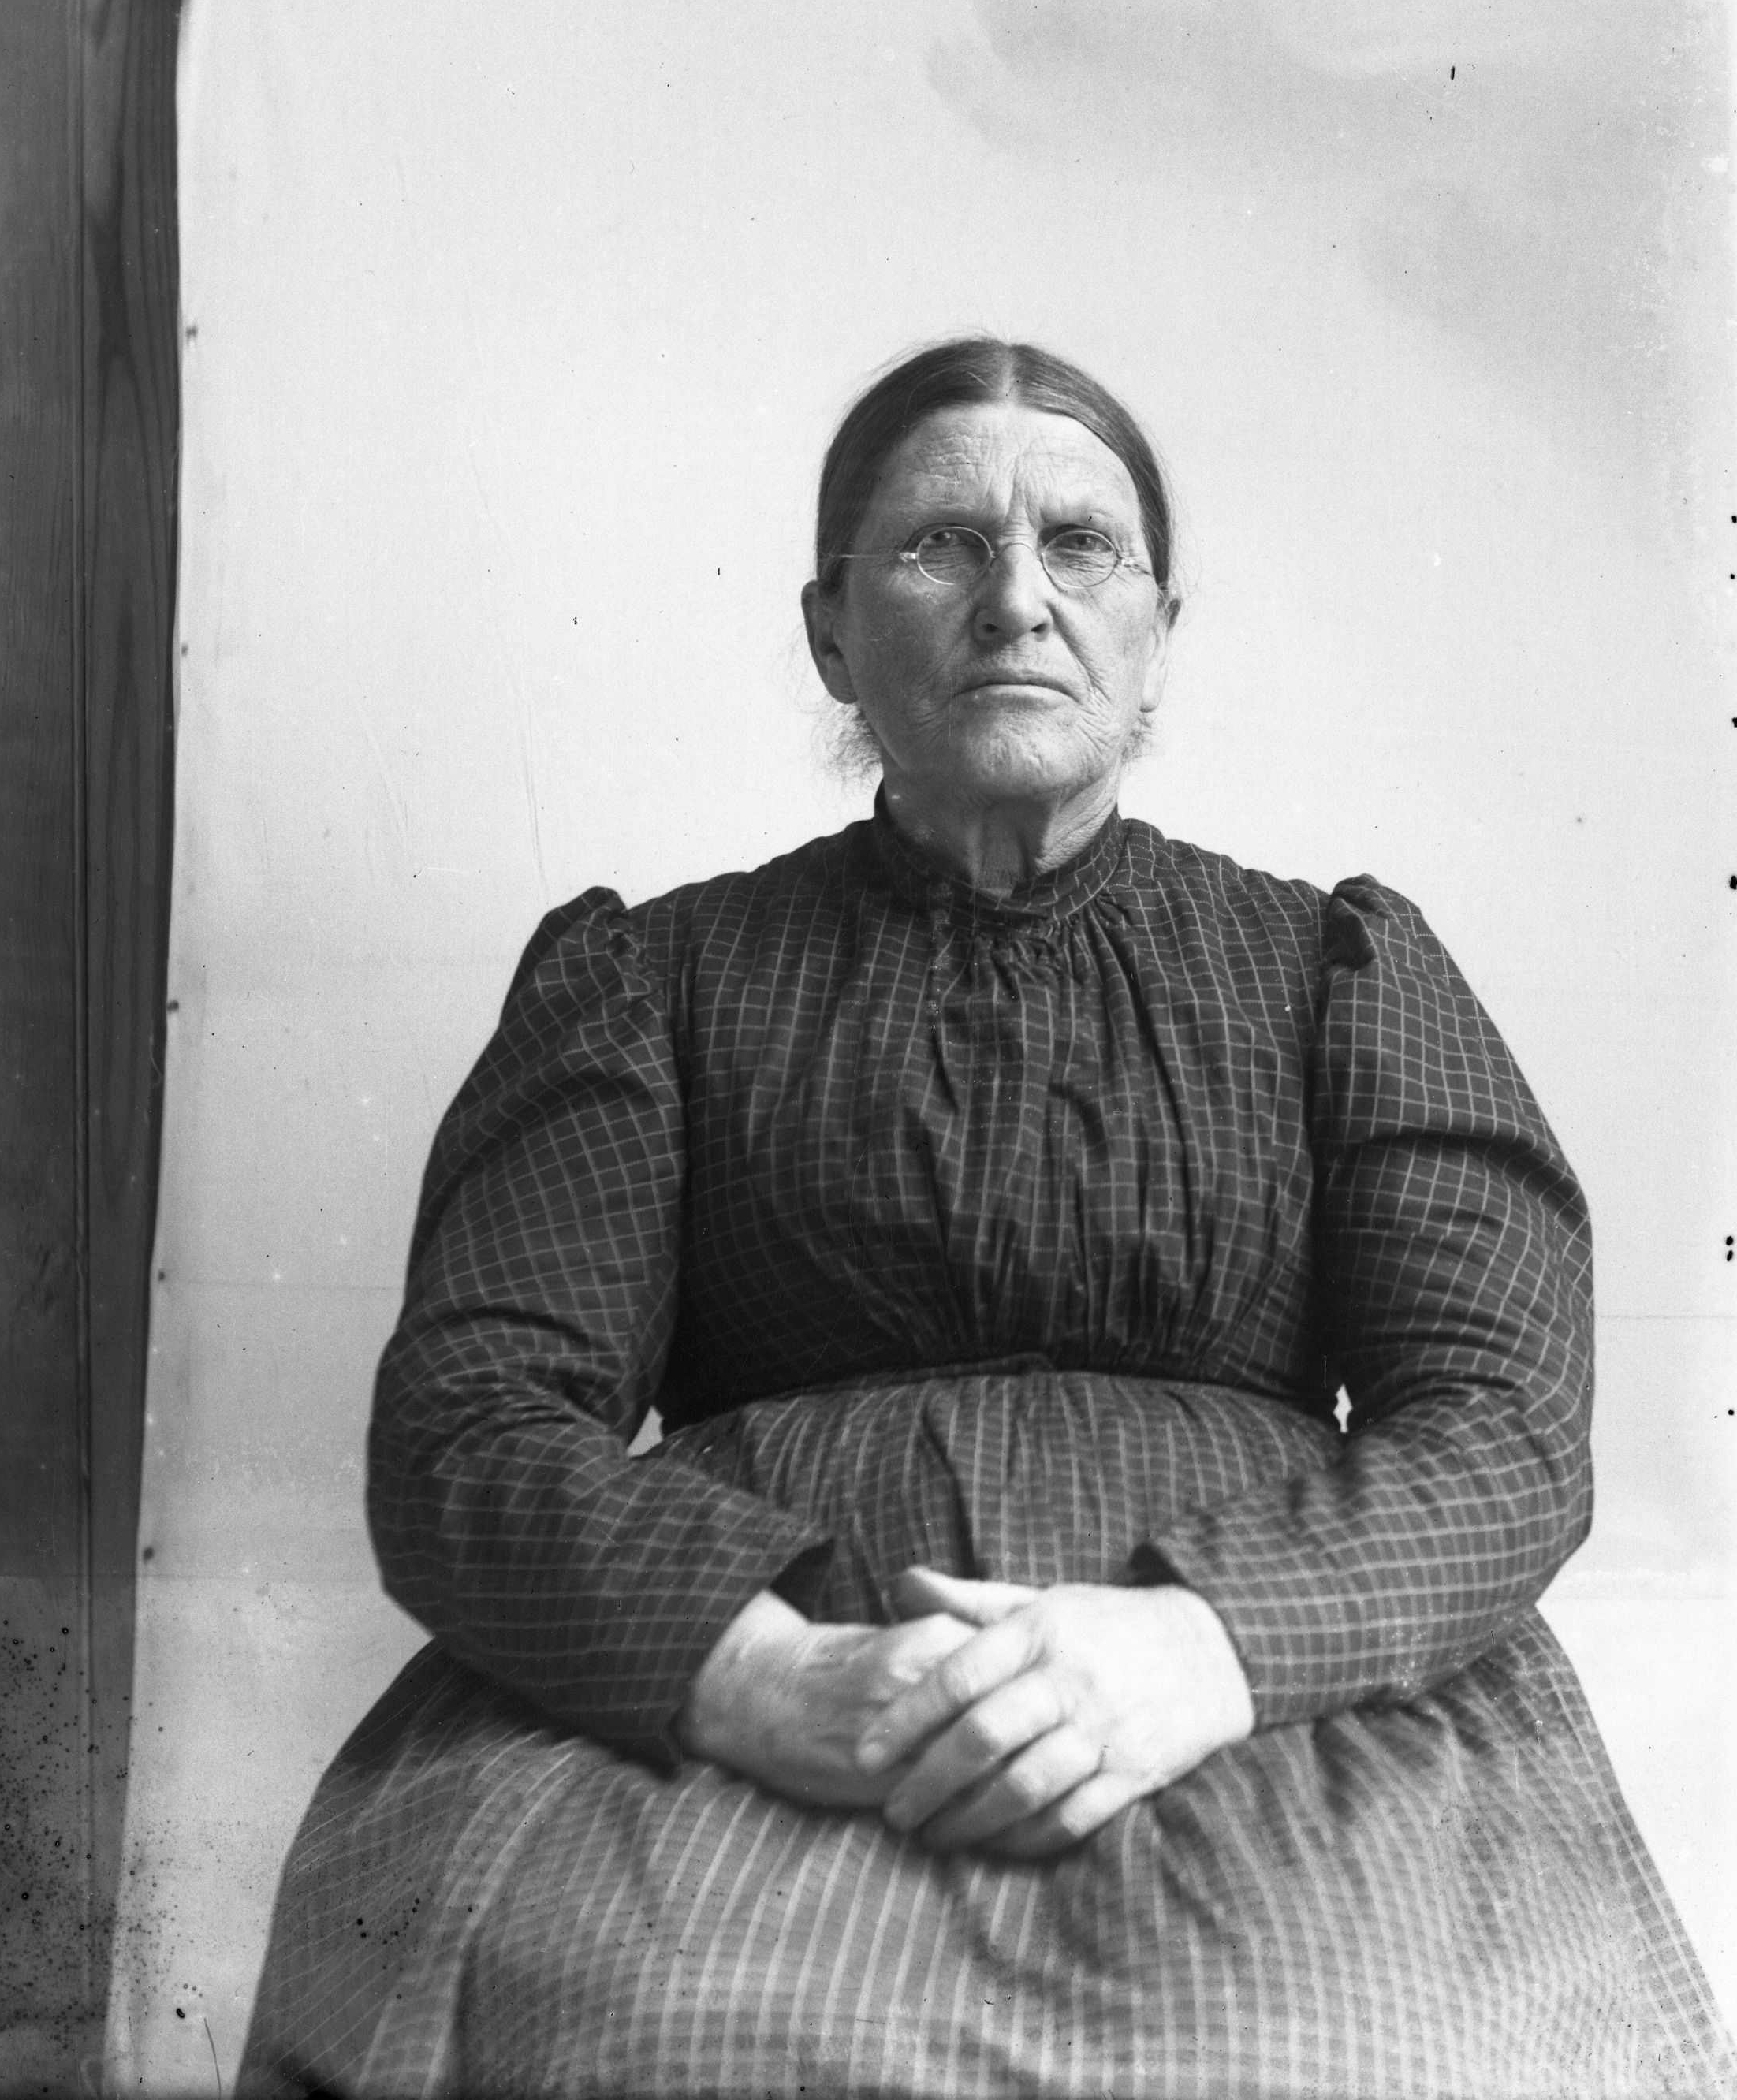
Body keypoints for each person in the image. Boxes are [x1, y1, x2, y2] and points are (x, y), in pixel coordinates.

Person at [240, 339, 1732, 2099]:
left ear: (1158, 629)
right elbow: (469, 1426)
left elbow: (1502, 1430)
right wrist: (775, 1682)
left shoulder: (1338, 971)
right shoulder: (651, 978)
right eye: (943, 542)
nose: (1018, 597)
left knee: (1345, 2050)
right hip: (756, 1694)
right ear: (829, 630)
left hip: (1277, 1697)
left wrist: (1199, 1647)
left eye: (1080, 545)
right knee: (647, 2038)